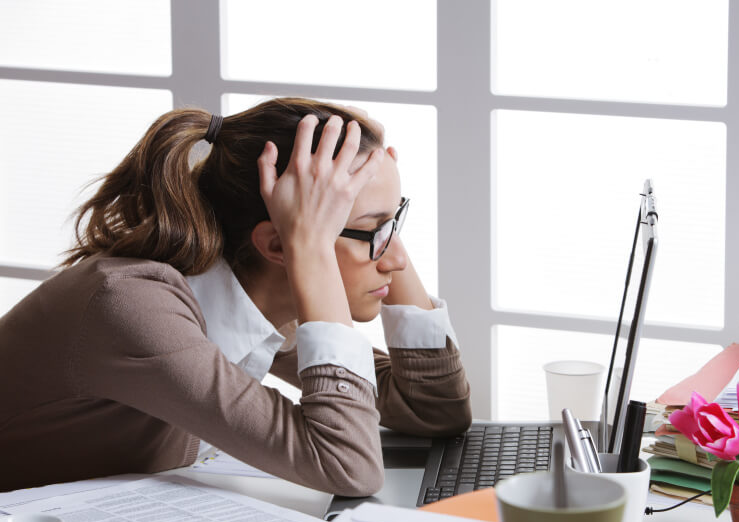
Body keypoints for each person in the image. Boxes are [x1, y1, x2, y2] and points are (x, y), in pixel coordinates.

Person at [0, 98, 471, 495]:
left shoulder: (254, 298)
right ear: (277, 245)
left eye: (395, 223)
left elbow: (433, 409)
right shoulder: (136, 309)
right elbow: (347, 465)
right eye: (373, 232)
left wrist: (377, 212)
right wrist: (309, 246)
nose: (396, 260)